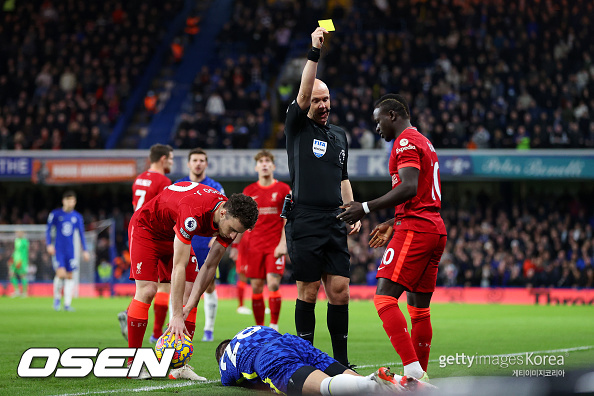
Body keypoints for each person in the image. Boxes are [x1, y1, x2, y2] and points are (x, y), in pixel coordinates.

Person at [338, 94, 447, 380]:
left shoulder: (406, 142)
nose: (377, 128)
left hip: (416, 229)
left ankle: (412, 369)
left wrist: (364, 207)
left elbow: (409, 187)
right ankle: (417, 377)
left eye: (378, 121)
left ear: (392, 116)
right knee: (419, 309)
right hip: (433, 228)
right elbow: (421, 192)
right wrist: (392, 221)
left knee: (384, 299)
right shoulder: (424, 141)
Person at [283, 26, 361, 367]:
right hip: (305, 218)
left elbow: (342, 176)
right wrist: (314, 52)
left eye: (326, 99)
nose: (323, 104)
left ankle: (340, 362)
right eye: (317, 100)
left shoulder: (340, 135)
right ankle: (306, 362)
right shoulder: (297, 126)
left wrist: (353, 209)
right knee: (308, 292)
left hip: (334, 219)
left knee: (340, 290)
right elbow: (302, 95)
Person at [126, 182, 258, 379]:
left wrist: (190, 305)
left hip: (172, 232)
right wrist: (177, 315)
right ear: (223, 213)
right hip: (147, 229)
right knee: (147, 290)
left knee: (190, 292)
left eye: (237, 232)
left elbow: (210, 266)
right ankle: (132, 364)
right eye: (232, 229)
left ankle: (179, 367)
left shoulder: (229, 221)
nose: (232, 235)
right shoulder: (193, 214)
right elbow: (178, 265)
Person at [216, 325, 433, 395]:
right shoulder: (252, 329)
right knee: (347, 376)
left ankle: (371, 384)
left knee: (323, 387)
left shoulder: (226, 357)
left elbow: (234, 381)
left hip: (268, 356)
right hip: (291, 341)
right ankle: (403, 383)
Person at [118, 144, 173, 343]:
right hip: (153, 233)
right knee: (162, 286)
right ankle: (156, 334)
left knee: (145, 287)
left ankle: (129, 313)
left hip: (136, 232)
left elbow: (135, 207)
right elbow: (165, 210)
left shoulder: (139, 178)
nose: (172, 162)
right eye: (171, 158)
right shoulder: (163, 181)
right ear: (163, 159)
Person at [234, 150, 291, 330]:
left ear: (273, 166)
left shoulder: (283, 189)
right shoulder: (249, 191)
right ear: (256, 167)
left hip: (274, 245)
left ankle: (273, 325)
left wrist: (283, 243)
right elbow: (242, 221)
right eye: (261, 161)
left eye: (267, 161)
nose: (264, 164)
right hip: (254, 246)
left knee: (273, 283)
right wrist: (236, 244)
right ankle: (260, 328)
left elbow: (287, 219)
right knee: (257, 287)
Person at [175, 148, 224, 342]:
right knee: (182, 287)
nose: (198, 163)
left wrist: (217, 237)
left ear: (206, 164)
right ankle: (178, 324)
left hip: (207, 243)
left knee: (209, 286)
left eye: (202, 160)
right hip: (184, 243)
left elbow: (224, 215)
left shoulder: (215, 187)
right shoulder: (179, 185)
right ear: (188, 163)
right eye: (195, 160)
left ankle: (209, 329)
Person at [46, 190, 90, 311]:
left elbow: (81, 234)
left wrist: (85, 250)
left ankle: (67, 304)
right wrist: (48, 244)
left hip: (70, 251)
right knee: (61, 274)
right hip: (58, 250)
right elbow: (48, 230)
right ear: (63, 201)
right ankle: (56, 300)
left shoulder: (77, 217)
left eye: (73, 200)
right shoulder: (55, 214)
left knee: (70, 276)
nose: (71, 202)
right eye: (69, 200)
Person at [9, 230, 29, 297]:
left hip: (21, 261)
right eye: (17, 233)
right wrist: (12, 258)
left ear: (22, 233)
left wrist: (21, 261)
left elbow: (24, 253)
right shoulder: (16, 240)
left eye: (19, 233)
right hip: (15, 260)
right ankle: (17, 291)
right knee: (11, 274)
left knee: (22, 275)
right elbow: (15, 251)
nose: (17, 234)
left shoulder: (25, 242)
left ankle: (25, 292)